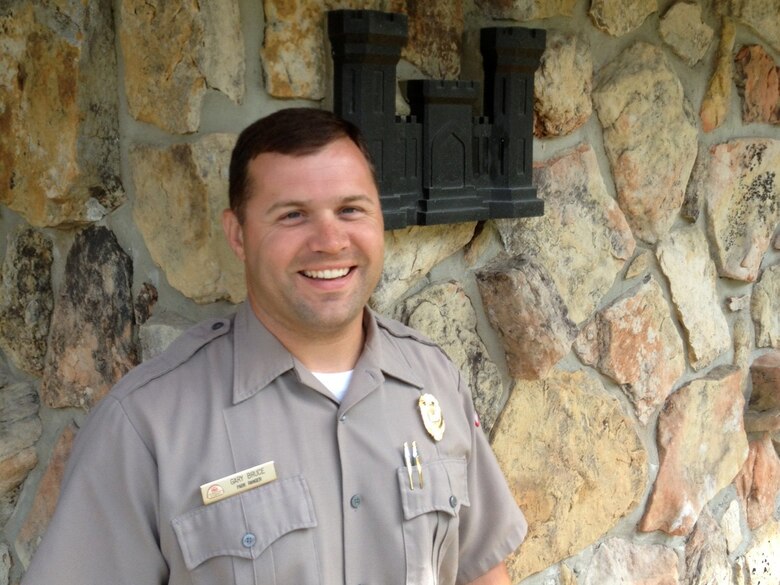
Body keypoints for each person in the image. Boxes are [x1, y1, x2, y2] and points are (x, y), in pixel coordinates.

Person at [22, 107, 527, 585]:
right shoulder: (147, 426)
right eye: (292, 216)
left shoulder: (433, 379)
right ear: (238, 235)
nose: (330, 241)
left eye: (351, 209)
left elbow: (480, 569)